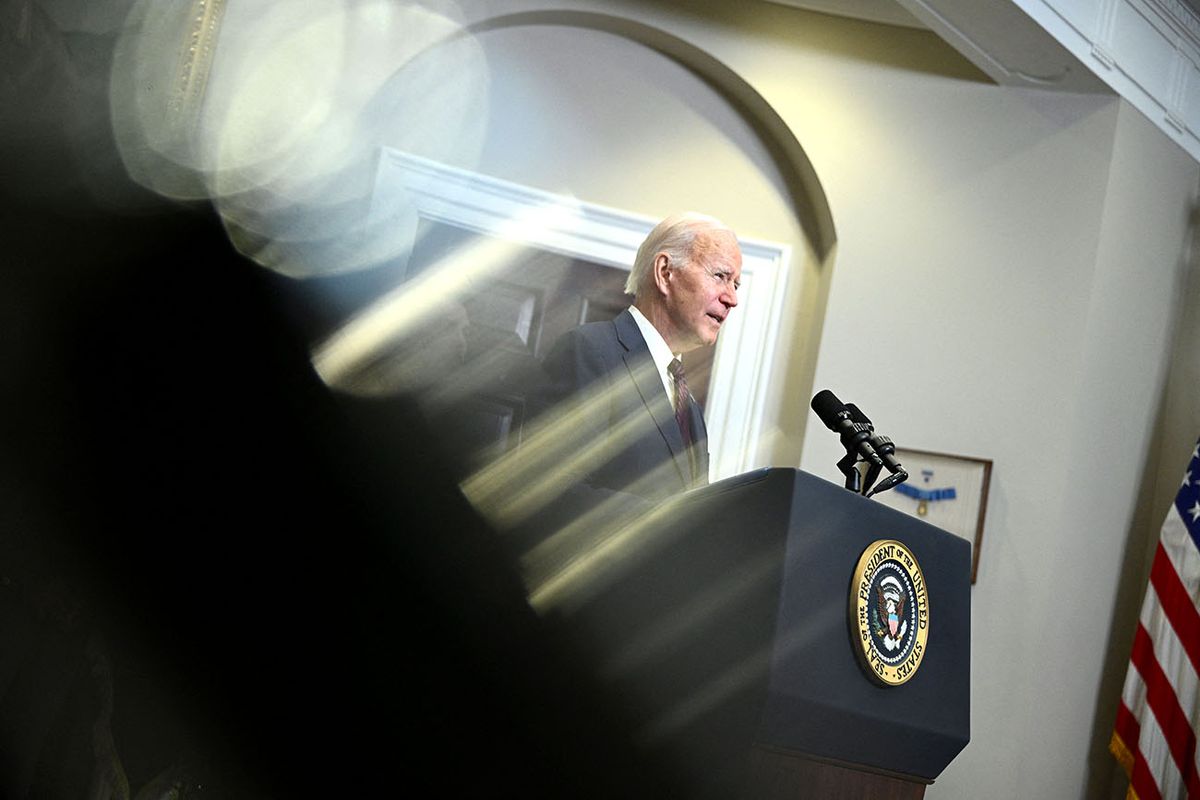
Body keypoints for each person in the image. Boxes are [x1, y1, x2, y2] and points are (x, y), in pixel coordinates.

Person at [519, 212, 742, 533]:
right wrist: (672, 522)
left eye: (736, 284)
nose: (732, 298)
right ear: (665, 273)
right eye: (720, 275)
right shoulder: (590, 350)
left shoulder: (687, 402)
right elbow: (549, 494)